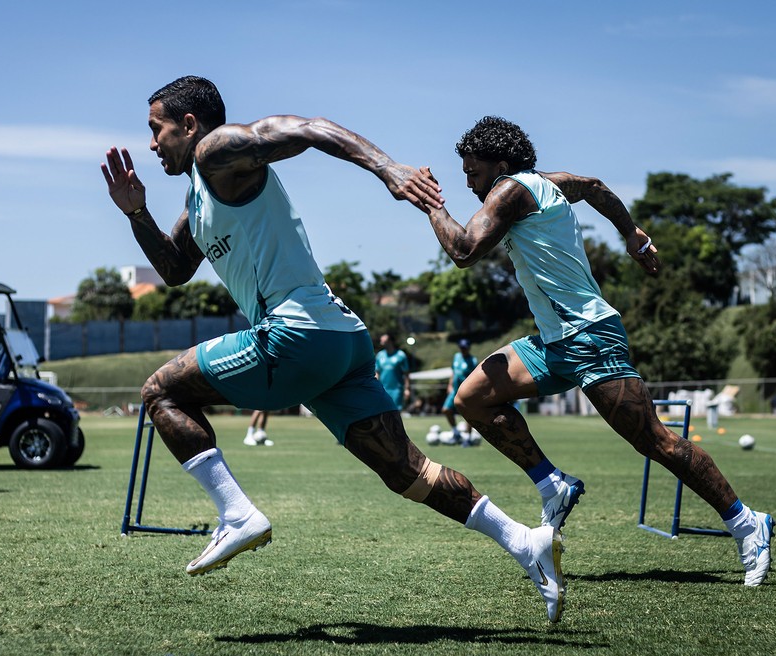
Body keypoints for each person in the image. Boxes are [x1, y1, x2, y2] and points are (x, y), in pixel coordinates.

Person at [101, 76, 566, 622]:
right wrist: (136, 213)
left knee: (160, 392)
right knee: (407, 472)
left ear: (188, 126)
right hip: (341, 340)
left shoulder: (215, 150)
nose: (152, 145)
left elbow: (309, 129)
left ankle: (235, 514)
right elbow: (175, 270)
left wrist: (386, 167)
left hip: (296, 332)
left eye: (156, 130)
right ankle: (523, 540)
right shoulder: (199, 193)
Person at [418, 115, 775, 586]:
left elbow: (464, 249)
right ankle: (554, 485)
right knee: (472, 397)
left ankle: (748, 523)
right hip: (553, 342)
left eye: (473, 174)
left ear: (500, 166)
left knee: (656, 442)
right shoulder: (546, 183)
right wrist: (631, 234)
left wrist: (430, 205)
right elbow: (595, 186)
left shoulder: (509, 191)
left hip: (589, 336)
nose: (469, 184)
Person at [443, 338, 479, 443]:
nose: (463, 350)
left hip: (466, 392)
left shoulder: (473, 361)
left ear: (469, 348)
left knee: (468, 414)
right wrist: (449, 385)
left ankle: (467, 438)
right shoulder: (456, 357)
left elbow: (475, 377)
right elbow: (453, 372)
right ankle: (456, 433)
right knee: (446, 410)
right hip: (454, 390)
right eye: (461, 348)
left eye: (465, 348)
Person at [374, 333, 411, 411]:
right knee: (383, 412)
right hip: (383, 389)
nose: (382, 342)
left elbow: (406, 374)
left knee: (395, 412)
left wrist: (407, 389)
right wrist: (375, 386)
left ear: (390, 341)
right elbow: (377, 373)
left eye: (384, 340)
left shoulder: (401, 355)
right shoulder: (380, 355)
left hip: (396, 389)